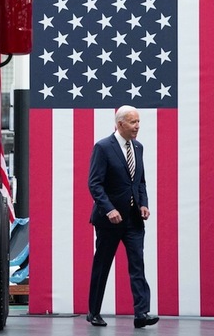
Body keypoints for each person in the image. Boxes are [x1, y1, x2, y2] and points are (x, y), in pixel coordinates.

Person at [86, 105, 158, 328]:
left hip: (134, 220)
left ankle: (141, 313)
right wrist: (109, 209)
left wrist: (143, 204)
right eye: (133, 122)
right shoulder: (103, 147)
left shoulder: (138, 147)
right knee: (103, 265)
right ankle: (94, 312)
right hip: (109, 221)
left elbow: (140, 182)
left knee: (137, 264)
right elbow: (94, 184)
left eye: (138, 122)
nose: (137, 127)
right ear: (119, 124)